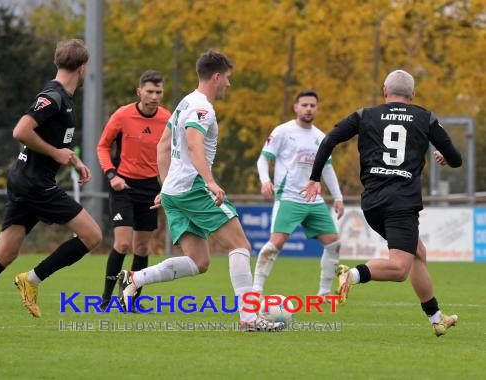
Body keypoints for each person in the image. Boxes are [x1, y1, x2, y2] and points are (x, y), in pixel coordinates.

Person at [0, 39, 102, 336]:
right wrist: (56, 154)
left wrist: (73, 160)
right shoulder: (53, 96)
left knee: (4, 253)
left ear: (58, 63)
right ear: (83, 68)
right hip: (35, 185)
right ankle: (32, 279)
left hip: (25, 181)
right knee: (93, 235)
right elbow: (21, 131)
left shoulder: (61, 97)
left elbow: (52, 141)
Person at [117, 50, 284, 331]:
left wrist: (166, 185)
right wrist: (209, 181)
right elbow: (194, 144)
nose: (228, 85)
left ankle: (136, 279)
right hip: (193, 187)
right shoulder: (202, 108)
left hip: (175, 190)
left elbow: (162, 146)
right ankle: (249, 319)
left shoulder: (185, 102)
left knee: (199, 261)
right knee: (240, 245)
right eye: (228, 79)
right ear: (216, 77)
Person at [301, 69, 462, 337]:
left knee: (418, 252)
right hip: (402, 203)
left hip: (373, 202)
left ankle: (436, 318)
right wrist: (444, 156)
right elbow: (456, 158)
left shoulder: (365, 115)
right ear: (413, 95)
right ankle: (351, 275)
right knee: (400, 268)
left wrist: (315, 177)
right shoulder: (425, 117)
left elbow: (329, 140)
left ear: (385, 92)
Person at [254, 91, 345, 301]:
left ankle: (323, 294)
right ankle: (255, 291)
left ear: (317, 109)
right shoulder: (283, 131)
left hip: (314, 200)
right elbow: (263, 159)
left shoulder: (321, 137)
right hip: (288, 197)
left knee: (333, 243)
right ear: (296, 107)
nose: (308, 109)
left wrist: (338, 197)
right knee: (275, 244)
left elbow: (328, 169)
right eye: (304, 105)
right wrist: (265, 181)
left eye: (312, 105)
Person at [96, 70, 171, 311]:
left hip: (150, 188)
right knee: (122, 244)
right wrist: (111, 175)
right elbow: (102, 146)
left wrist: (167, 185)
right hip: (123, 186)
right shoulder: (122, 115)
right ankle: (106, 299)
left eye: (158, 92)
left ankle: (130, 301)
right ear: (139, 92)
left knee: (141, 248)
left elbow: (173, 154)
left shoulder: (168, 119)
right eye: (149, 91)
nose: (154, 96)